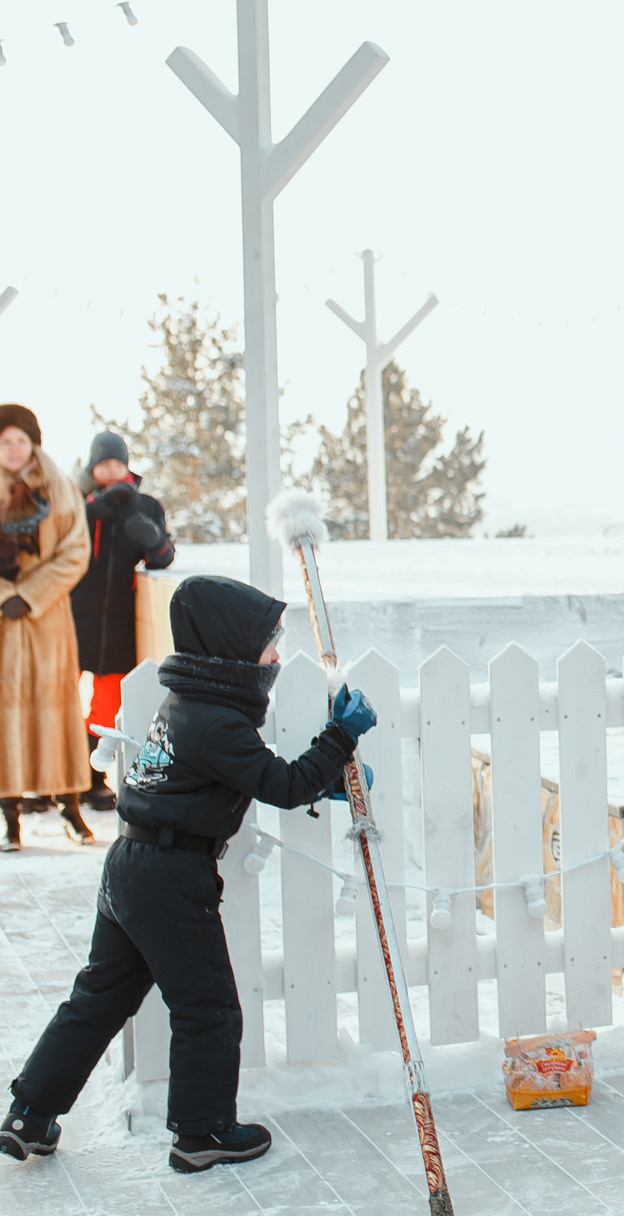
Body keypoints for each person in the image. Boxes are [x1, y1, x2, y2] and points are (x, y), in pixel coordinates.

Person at [2, 576, 377, 1172]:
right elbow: (280, 785)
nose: (277, 655)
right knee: (209, 1009)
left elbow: (246, 776)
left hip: (129, 864)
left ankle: (30, 1114)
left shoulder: (186, 705)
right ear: (231, 648)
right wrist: (339, 738)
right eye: (268, 643)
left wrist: (324, 778)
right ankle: (202, 1133)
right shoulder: (217, 722)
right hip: (171, 876)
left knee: (100, 995)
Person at [0, 404, 94, 849]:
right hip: (1, 622)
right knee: (4, 718)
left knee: (56, 710)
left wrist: (31, 595)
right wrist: (5, 597)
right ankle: (9, 815)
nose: (14, 449)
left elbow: (76, 549)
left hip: (47, 619)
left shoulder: (57, 487)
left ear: (33, 443)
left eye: (21, 440)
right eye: (5, 441)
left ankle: (70, 807)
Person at [72, 430, 176, 812]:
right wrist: (88, 512)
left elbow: (163, 559)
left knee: (106, 700)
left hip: (119, 620)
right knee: (60, 698)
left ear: (127, 465)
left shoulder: (146, 504)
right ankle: (57, 778)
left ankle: (90, 778)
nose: (112, 470)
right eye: (104, 464)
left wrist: (153, 540)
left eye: (118, 463)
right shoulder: (75, 502)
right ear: (92, 467)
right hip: (72, 613)